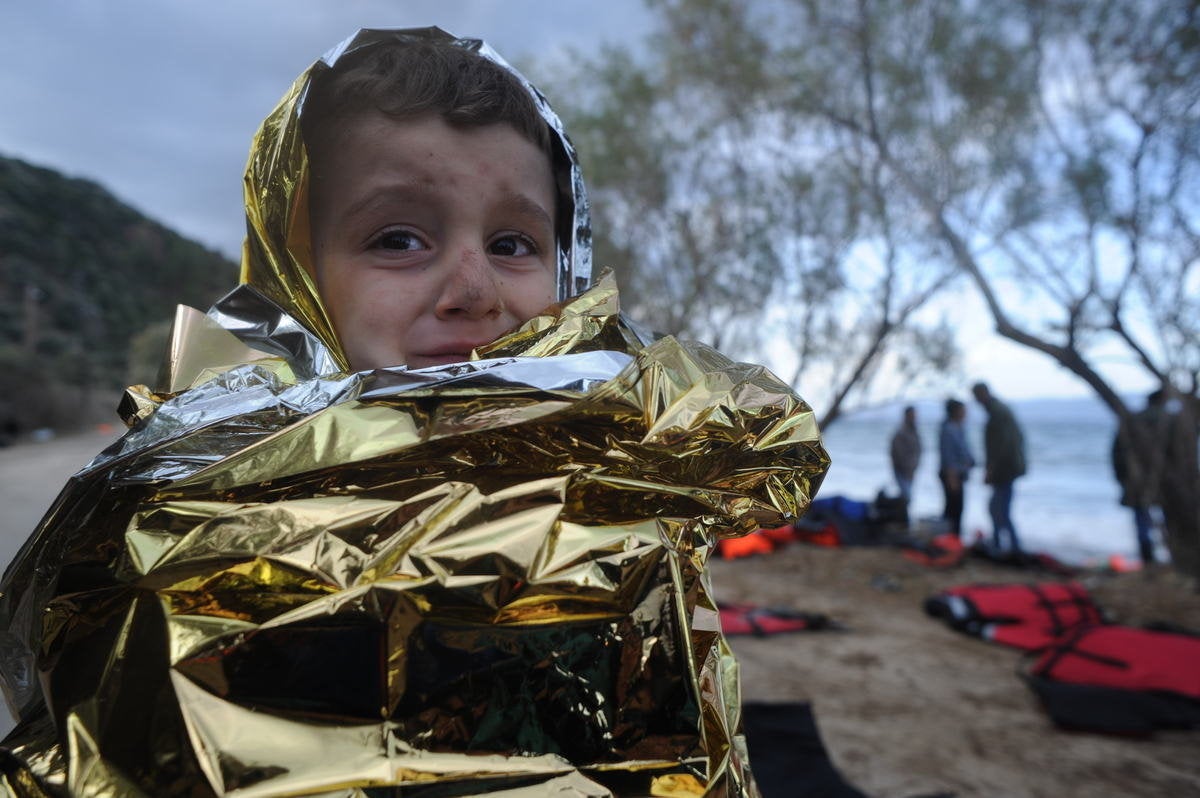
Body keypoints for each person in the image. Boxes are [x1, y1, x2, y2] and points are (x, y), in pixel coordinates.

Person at [0, 29, 828, 797]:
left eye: (513, 244)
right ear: (300, 277)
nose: (474, 292)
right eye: (399, 239)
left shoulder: (627, 482)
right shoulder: (175, 524)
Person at [1111, 389, 1170, 564]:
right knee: (1170, 520)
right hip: (1167, 480)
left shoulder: (1133, 420)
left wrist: (1121, 477)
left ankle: (1148, 559)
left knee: (1142, 521)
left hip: (1135, 479)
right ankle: (1173, 558)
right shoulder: (1170, 421)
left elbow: (1117, 453)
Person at [972, 381, 1027, 554]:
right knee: (997, 508)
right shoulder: (999, 409)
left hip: (1005, 469)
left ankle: (1011, 547)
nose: (975, 401)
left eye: (976, 396)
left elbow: (1000, 445)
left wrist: (991, 469)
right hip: (1008, 467)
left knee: (999, 509)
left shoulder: (997, 412)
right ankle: (1003, 544)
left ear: (982, 394)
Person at [938, 398, 974, 537]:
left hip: (958, 474)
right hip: (952, 475)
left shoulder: (959, 427)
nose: (966, 413)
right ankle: (949, 540)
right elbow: (948, 456)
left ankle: (952, 539)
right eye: (963, 410)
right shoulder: (949, 429)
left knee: (956, 509)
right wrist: (951, 477)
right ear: (955, 412)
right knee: (953, 509)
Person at [889, 405, 922, 504]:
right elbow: (897, 453)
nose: (914, 417)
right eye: (912, 415)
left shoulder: (914, 431)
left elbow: (918, 450)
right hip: (903, 470)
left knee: (907, 496)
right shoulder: (901, 432)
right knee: (906, 497)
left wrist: (914, 467)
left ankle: (903, 516)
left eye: (915, 415)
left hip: (911, 470)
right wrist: (907, 468)